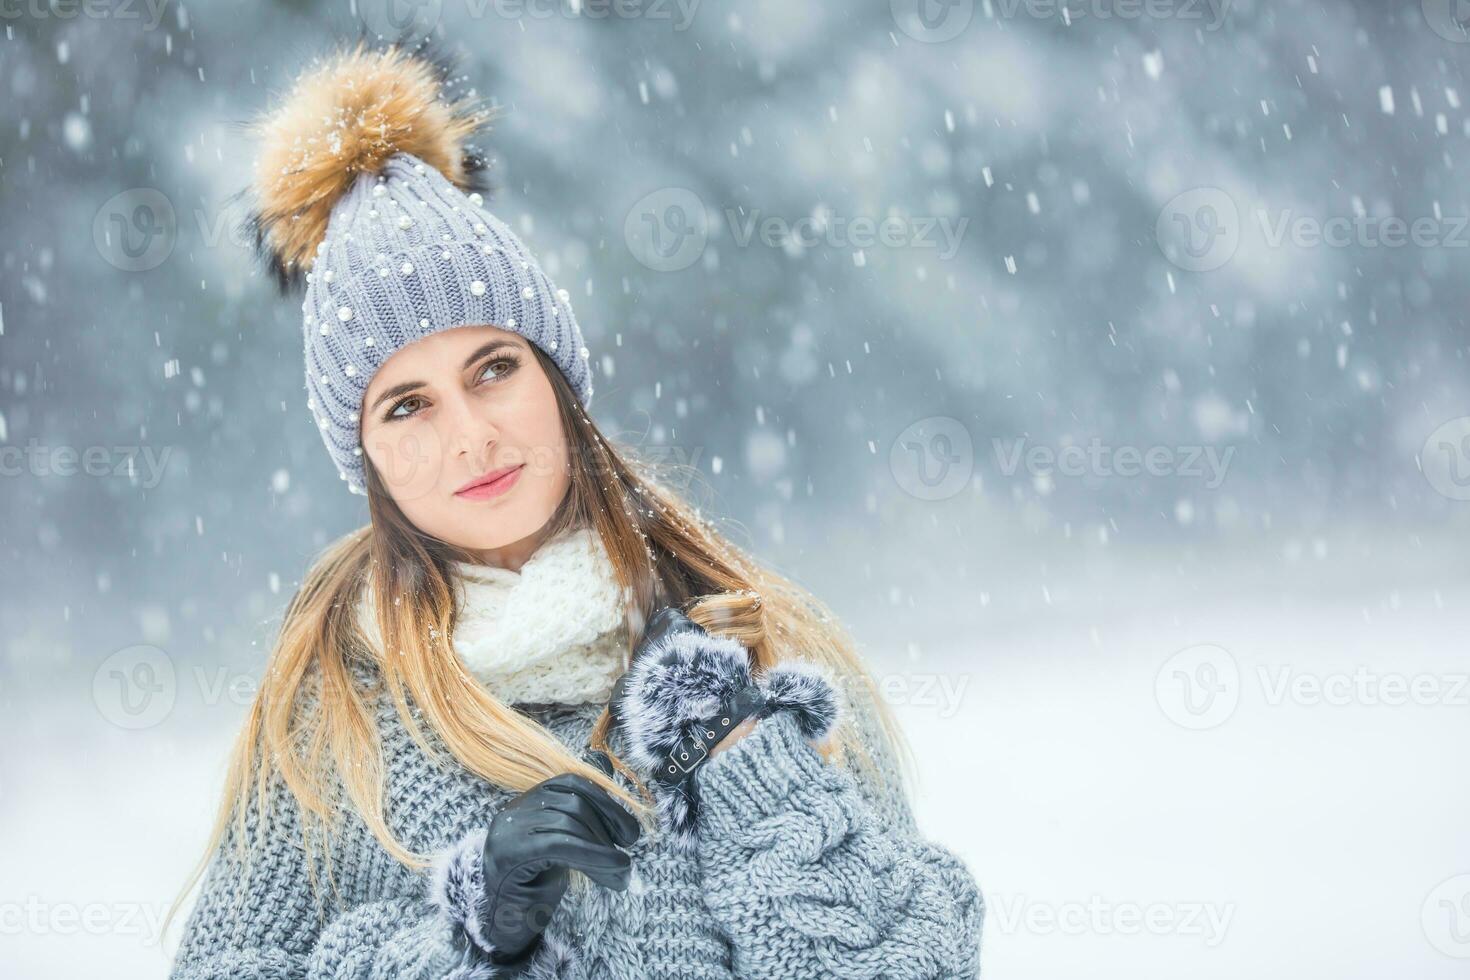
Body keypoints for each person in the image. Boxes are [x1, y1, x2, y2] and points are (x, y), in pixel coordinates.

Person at [162, 38, 984, 980]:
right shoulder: (333, 728)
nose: (470, 435)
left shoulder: (757, 650)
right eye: (408, 404)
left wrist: (761, 778)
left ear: (558, 380)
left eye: (494, 369)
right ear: (368, 460)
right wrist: (465, 939)